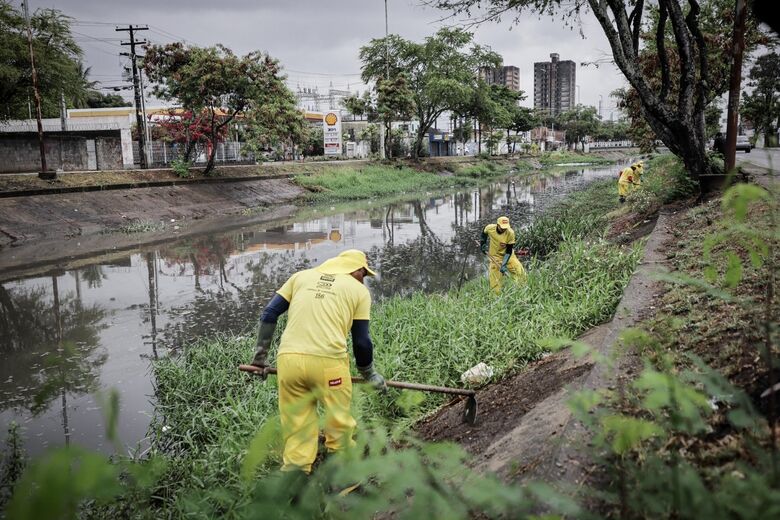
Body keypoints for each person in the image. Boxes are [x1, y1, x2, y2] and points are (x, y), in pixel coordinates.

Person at [249, 249, 386, 473]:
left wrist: (259, 359)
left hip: (289, 362)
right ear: (357, 270)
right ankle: (341, 490)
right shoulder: (358, 291)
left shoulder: (300, 277)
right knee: (339, 426)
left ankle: (292, 485)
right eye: (365, 275)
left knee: (297, 431)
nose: (365, 280)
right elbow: (361, 341)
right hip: (329, 365)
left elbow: (269, 314)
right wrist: (369, 373)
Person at [480, 216, 527, 294]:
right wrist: (482, 244)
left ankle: (521, 292)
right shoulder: (490, 228)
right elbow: (484, 234)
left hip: (509, 256)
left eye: (505, 227)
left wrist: (504, 264)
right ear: (497, 225)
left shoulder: (510, 233)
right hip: (495, 257)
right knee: (495, 282)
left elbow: (508, 251)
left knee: (521, 273)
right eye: (502, 227)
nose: (504, 229)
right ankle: (496, 298)